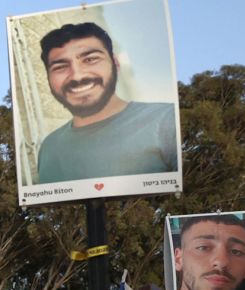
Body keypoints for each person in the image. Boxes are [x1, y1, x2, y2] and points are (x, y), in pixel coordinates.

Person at [34, 22, 179, 184]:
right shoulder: (49, 147)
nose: (77, 76)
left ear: (115, 64)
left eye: (90, 59)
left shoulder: (167, 120)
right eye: (60, 67)